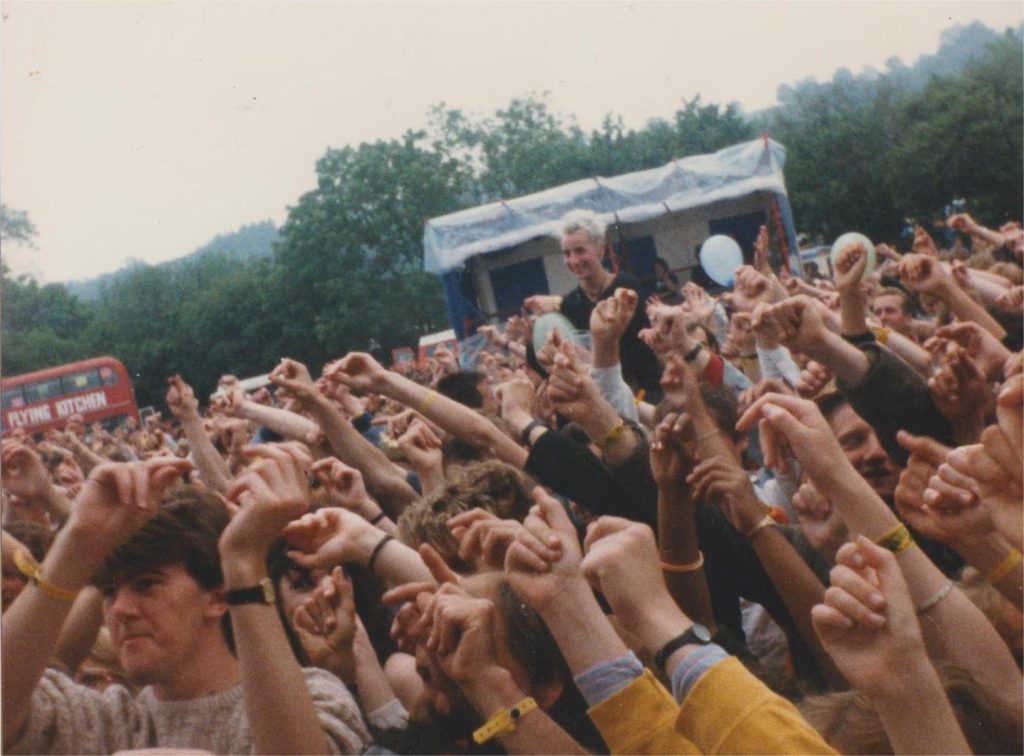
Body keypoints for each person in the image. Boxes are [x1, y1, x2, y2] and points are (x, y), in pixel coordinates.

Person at [2, 450, 370, 755]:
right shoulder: (108, 720)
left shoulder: (313, 695)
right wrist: (77, 543)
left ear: (218, 596)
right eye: (111, 592)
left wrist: (243, 563)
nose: (120, 610)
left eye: (147, 585)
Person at [525, 209, 662, 397]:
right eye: (567, 253)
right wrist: (530, 338)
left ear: (600, 249)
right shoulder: (570, 304)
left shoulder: (625, 286)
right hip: (602, 398)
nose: (574, 260)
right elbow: (549, 368)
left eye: (580, 251)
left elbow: (632, 350)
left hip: (643, 391)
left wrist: (558, 303)